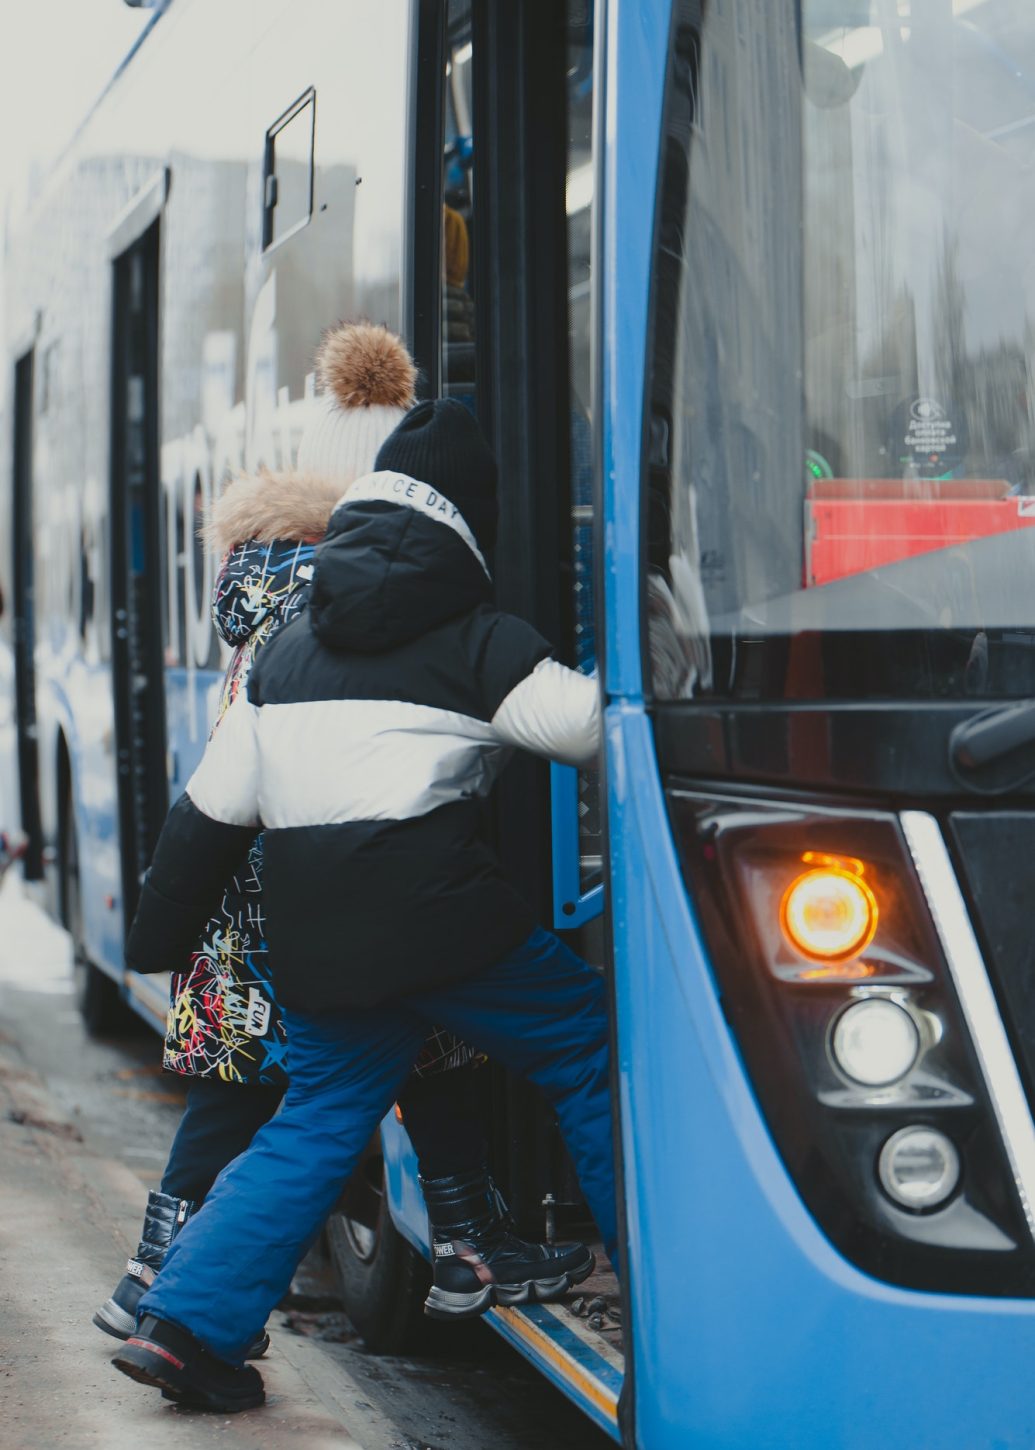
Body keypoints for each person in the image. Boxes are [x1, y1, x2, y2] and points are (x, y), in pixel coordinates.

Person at [109, 398, 614, 1413]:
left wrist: (154, 940)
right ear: (469, 525)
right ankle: (662, 1270)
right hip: (444, 925)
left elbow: (209, 815)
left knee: (316, 1118)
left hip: (322, 943)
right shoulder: (478, 637)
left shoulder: (286, 653)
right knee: (588, 1040)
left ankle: (184, 1323)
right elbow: (590, 729)